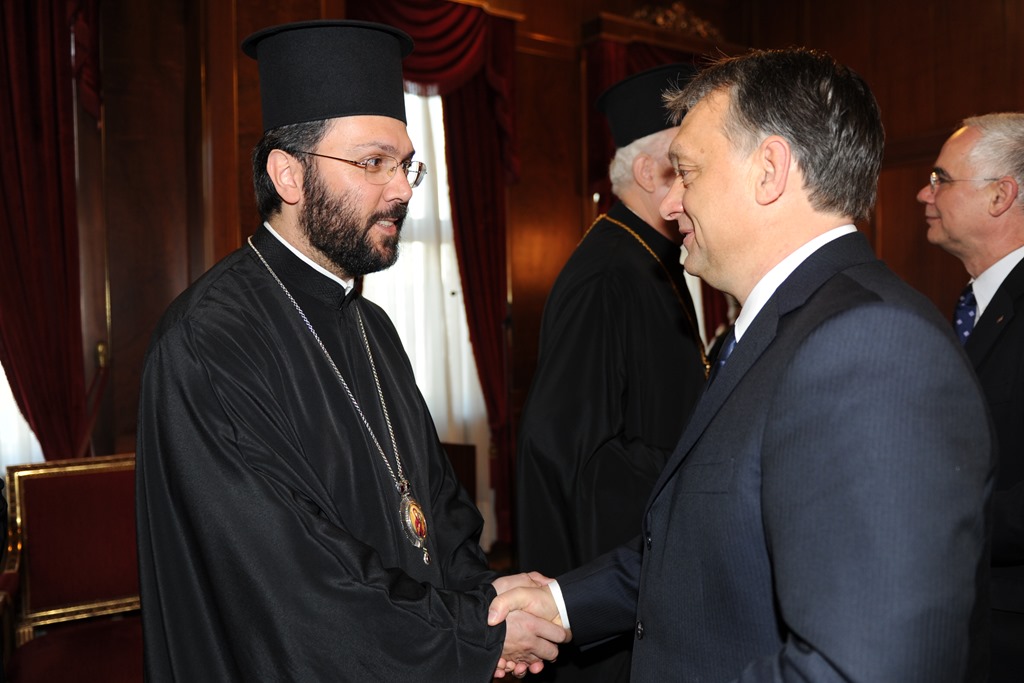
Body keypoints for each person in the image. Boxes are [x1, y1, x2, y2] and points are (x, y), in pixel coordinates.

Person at [490, 47, 996, 682]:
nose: (671, 205)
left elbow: (862, 667)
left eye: (688, 173)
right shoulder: (789, 326)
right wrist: (563, 603)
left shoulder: (872, 347)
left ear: (769, 171)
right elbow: (712, 541)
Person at [135, 20, 562, 681]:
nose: (403, 190)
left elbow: (440, 509)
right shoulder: (208, 343)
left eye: (406, 164)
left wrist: (484, 600)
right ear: (288, 175)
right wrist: (471, 633)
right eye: (372, 163)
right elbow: (292, 580)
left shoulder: (373, 326)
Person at [515, 64, 709, 682]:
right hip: (609, 599)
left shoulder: (654, 258)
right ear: (651, 173)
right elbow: (572, 453)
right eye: (688, 165)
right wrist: (699, 473)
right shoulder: (607, 274)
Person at [917, 113, 1024, 683]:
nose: (923, 193)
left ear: (1000, 196)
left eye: (940, 179)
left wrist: (926, 520)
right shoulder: (972, 305)